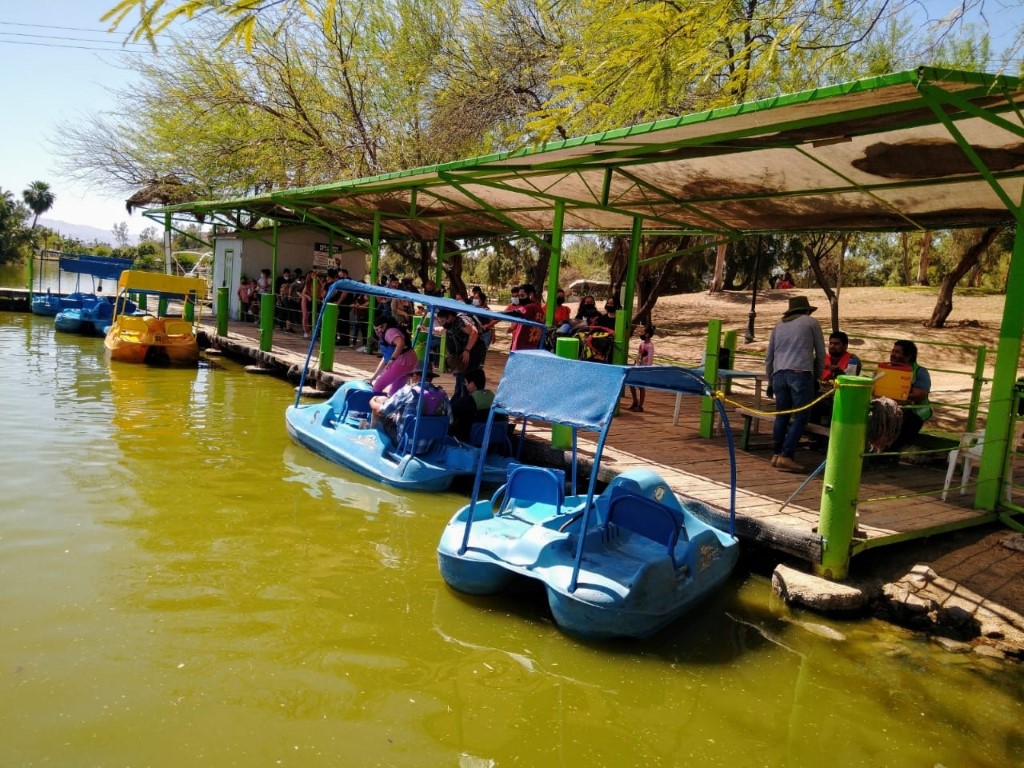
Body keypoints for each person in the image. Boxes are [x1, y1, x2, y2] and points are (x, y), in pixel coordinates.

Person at [765, 295, 826, 472]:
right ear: (807, 310)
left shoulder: (778, 326)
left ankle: (776, 454)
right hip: (800, 372)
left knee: (782, 414)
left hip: (779, 373)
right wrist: (817, 376)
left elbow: (769, 356)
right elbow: (820, 353)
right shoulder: (811, 323)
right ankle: (787, 455)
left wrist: (770, 379)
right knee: (801, 416)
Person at [369, 365, 452, 452]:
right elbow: (450, 421)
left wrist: (372, 401)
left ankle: (371, 438)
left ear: (415, 376)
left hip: (403, 444)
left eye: (412, 376)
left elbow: (381, 411)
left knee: (379, 405)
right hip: (428, 447)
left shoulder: (407, 391)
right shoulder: (443, 395)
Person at [885, 339, 932, 453]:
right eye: (892, 351)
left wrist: (896, 396)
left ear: (908, 356)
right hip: (892, 410)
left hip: (913, 414)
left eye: (897, 352)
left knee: (893, 439)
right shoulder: (888, 368)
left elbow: (919, 395)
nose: (892, 354)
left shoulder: (920, 372)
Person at [436, 308, 487, 398]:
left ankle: (466, 398)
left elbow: (474, 332)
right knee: (460, 376)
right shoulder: (451, 325)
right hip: (463, 353)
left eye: (443, 321)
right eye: (441, 322)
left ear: (449, 317)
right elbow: (442, 330)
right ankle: (458, 398)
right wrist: (427, 329)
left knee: (467, 377)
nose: (443, 324)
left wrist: (467, 350)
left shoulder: (461, 321)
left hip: (474, 353)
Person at [367, 317, 418, 395]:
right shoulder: (390, 332)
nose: (377, 332)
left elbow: (400, 343)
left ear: (384, 325)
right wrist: (373, 377)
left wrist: (392, 359)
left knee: (377, 387)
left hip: (402, 362)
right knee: (394, 392)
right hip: (409, 362)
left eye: (377, 329)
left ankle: (376, 402)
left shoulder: (390, 332)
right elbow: (385, 358)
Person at [450, 367, 496, 441]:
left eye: (466, 382)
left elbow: (451, 409)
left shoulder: (469, 400)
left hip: (471, 436)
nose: (465, 385)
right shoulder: (493, 397)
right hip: (492, 436)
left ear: (472, 384)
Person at [628, 326, 655, 412]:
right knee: (631, 383)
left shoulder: (650, 346)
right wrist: (635, 364)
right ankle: (635, 401)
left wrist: (647, 370)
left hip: (644, 369)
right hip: (638, 367)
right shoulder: (642, 344)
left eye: (642, 332)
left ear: (647, 334)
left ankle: (640, 405)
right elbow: (638, 355)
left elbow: (650, 359)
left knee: (641, 387)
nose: (640, 334)